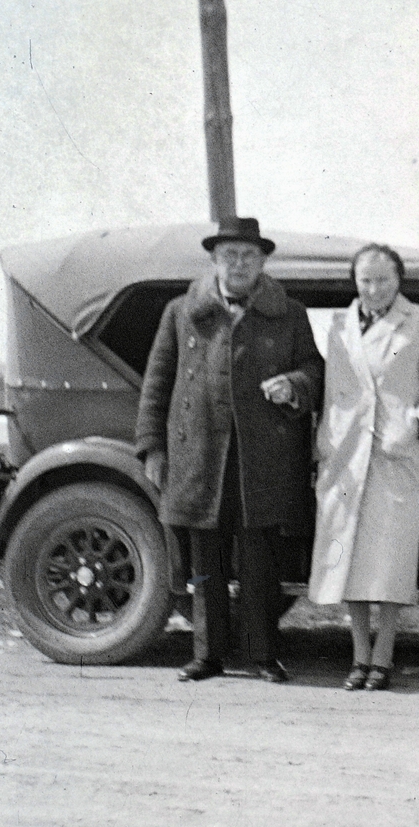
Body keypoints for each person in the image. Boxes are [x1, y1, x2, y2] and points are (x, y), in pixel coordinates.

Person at [135, 217, 324, 684]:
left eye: (248, 256)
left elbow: (315, 371)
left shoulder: (291, 314)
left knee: (261, 562)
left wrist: (295, 384)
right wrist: (152, 448)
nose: (239, 264)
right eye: (229, 256)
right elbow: (157, 383)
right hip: (199, 457)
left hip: (262, 460)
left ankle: (263, 656)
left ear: (263, 262)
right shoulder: (181, 312)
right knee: (205, 562)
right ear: (214, 261)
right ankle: (207, 655)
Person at [308, 243, 419, 690]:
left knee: (389, 562)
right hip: (346, 459)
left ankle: (384, 658)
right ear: (355, 282)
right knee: (350, 559)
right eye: (365, 280)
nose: (374, 289)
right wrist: (326, 444)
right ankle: (358, 657)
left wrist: (416, 426)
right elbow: (334, 392)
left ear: (399, 280)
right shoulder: (338, 326)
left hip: (395, 456)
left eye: (383, 280)